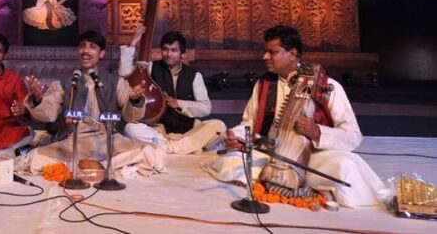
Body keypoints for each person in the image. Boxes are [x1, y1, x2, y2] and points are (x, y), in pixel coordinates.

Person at [203, 25, 389, 208]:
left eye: (272, 52)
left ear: (292, 54)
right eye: (265, 52)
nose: (265, 57)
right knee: (230, 161)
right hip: (270, 152)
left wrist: (317, 132)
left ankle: (293, 182)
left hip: (313, 157)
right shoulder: (264, 85)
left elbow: (353, 136)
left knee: (345, 166)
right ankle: (298, 184)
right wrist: (236, 136)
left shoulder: (326, 85)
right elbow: (249, 123)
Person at [20, 30, 165, 178]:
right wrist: (38, 99)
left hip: (108, 140)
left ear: (101, 53)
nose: (86, 51)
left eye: (92, 47)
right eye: (82, 46)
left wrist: (134, 100)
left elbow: (130, 116)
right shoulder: (66, 83)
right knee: (36, 157)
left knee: (148, 151)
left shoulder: (115, 82)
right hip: (75, 140)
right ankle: (106, 167)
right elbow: (48, 114)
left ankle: (84, 167)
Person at [121, 25, 226, 154]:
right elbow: (125, 73)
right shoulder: (151, 68)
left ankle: (168, 148)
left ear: (183, 53)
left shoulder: (194, 75)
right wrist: (133, 43)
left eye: (173, 50)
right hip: (159, 131)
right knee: (130, 128)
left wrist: (179, 104)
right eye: (165, 49)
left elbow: (205, 108)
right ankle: (182, 147)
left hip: (189, 131)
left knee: (219, 125)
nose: (169, 54)